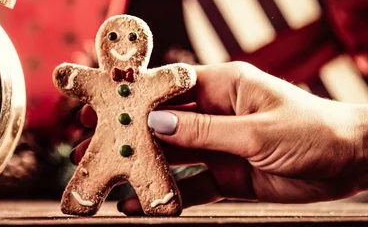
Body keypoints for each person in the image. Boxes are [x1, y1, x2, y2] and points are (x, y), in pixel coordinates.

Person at [71, 62, 368, 215]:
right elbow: (71, 78)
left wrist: (358, 143)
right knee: (92, 174)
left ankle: (154, 197)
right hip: (107, 148)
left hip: (146, 151)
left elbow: (177, 78)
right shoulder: (103, 81)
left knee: (155, 181)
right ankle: (81, 197)